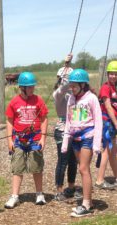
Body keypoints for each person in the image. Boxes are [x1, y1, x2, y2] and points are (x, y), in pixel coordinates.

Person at [4, 72, 48, 209]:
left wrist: (43, 137)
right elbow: (10, 121)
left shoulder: (38, 100)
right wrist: (9, 141)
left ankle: (39, 194)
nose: (32, 89)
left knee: (37, 167)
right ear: (22, 88)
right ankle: (15, 196)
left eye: (33, 87)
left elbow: (44, 119)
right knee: (17, 168)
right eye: (29, 87)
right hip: (18, 140)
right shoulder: (14, 102)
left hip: (35, 139)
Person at [62, 69, 102, 217]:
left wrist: (97, 144)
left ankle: (85, 205)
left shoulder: (91, 98)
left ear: (83, 84)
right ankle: (89, 202)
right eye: (70, 85)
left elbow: (98, 121)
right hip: (75, 138)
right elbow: (68, 120)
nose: (72, 88)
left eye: (74, 86)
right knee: (83, 169)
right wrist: (66, 140)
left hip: (88, 136)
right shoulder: (71, 99)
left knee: (83, 168)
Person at [53, 54, 80, 201]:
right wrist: (66, 65)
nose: (69, 82)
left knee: (73, 161)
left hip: (75, 130)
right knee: (62, 160)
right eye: (65, 78)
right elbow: (63, 88)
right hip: (62, 131)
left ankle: (71, 187)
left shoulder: (76, 96)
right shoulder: (58, 95)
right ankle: (59, 190)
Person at [95, 60, 117, 189]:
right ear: (107, 74)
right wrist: (115, 123)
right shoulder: (106, 88)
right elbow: (108, 107)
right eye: (111, 74)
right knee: (107, 151)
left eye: (115, 74)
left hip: (113, 122)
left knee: (112, 152)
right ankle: (99, 180)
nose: (113, 76)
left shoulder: (115, 87)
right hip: (108, 122)